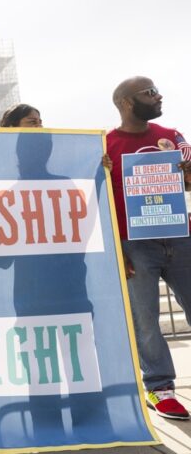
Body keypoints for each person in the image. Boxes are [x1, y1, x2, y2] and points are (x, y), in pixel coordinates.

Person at [104, 76, 191, 420]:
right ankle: (160, 388)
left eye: (156, 91)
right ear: (127, 102)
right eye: (150, 92)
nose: (158, 96)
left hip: (180, 237)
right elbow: (100, 199)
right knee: (145, 320)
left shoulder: (172, 136)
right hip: (134, 245)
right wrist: (118, 249)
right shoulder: (105, 145)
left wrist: (187, 171)